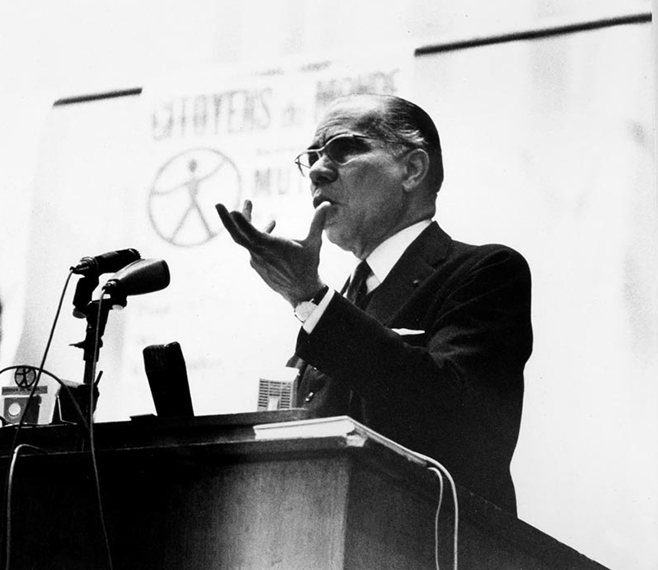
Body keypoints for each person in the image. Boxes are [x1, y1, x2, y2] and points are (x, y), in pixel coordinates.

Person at [215, 93, 532, 515]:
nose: (318, 171)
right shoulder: (342, 300)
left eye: (343, 149)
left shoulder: (485, 272)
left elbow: (455, 416)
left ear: (412, 169)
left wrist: (309, 297)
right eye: (311, 157)